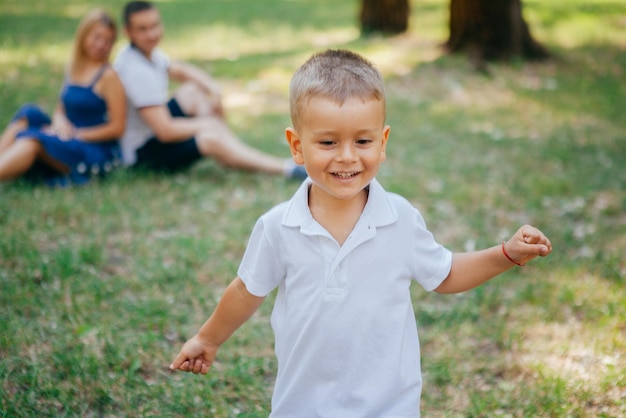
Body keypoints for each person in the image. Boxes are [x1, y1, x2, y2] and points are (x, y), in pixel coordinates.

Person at [169, 49, 553, 417]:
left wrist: (506, 254)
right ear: (297, 146)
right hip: (302, 406)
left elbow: (447, 273)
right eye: (328, 142)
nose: (348, 156)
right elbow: (245, 290)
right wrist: (207, 339)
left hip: (389, 407)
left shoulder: (399, 218)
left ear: (382, 143)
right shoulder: (277, 227)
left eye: (363, 141)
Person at [113, 1, 306, 179]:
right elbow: (165, 131)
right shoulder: (135, 71)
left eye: (155, 25)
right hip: (142, 155)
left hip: (153, 134)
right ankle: (287, 168)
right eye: (142, 29)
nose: (151, 34)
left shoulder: (144, 52)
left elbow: (180, 70)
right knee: (208, 136)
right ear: (128, 32)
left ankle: (231, 149)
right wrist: (206, 124)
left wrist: (213, 89)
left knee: (193, 93)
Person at [0, 9, 125, 187]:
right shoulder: (74, 67)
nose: (101, 45)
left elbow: (117, 128)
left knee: (34, 140)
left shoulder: (109, 76)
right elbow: (60, 109)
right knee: (28, 113)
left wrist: (77, 134)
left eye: (108, 40)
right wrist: (59, 124)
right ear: (84, 35)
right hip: (66, 135)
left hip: (91, 147)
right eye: (97, 37)